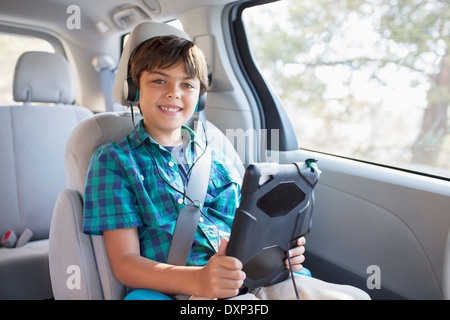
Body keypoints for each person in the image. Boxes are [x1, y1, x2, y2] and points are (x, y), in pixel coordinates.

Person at [83, 34, 370, 300]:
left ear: (200, 98)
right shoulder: (115, 161)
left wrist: (279, 254)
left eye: (187, 84)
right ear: (134, 90)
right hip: (187, 289)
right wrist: (199, 280)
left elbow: (246, 229)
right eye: (159, 81)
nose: (174, 93)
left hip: (252, 278)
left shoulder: (217, 158)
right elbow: (125, 264)